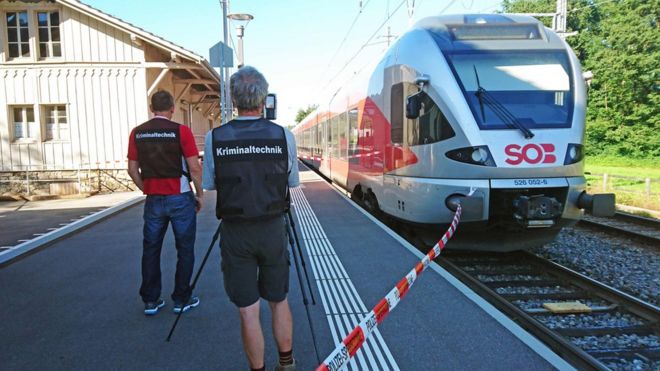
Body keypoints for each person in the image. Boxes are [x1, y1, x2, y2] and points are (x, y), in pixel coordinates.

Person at [202, 66, 299, 371]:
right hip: (273, 229)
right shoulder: (284, 136)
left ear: (234, 99)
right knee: (278, 300)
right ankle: (287, 364)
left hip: (235, 232)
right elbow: (291, 182)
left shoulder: (214, 138)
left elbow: (211, 183)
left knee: (248, 310)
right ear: (262, 99)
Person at [127, 90, 203, 316]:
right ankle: (182, 298)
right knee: (185, 248)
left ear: (152, 109)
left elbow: (132, 170)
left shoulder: (137, 133)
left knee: (151, 249)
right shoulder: (181, 131)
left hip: (154, 200)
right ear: (172, 108)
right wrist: (199, 194)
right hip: (180, 197)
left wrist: (146, 189)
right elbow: (195, 167)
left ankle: (151, 300)